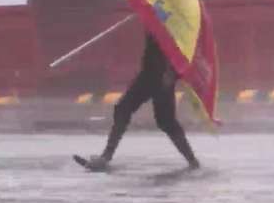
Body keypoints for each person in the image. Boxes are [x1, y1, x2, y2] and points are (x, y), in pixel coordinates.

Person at [84, 31, 200, 171]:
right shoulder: (155, 14)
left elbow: (180, 48)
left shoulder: (172, 21)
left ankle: (192, 161)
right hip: (149, 73)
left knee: (163, 120)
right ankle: (106, 156)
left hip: (161, 75)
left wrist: (171, 74)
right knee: (128, 110)